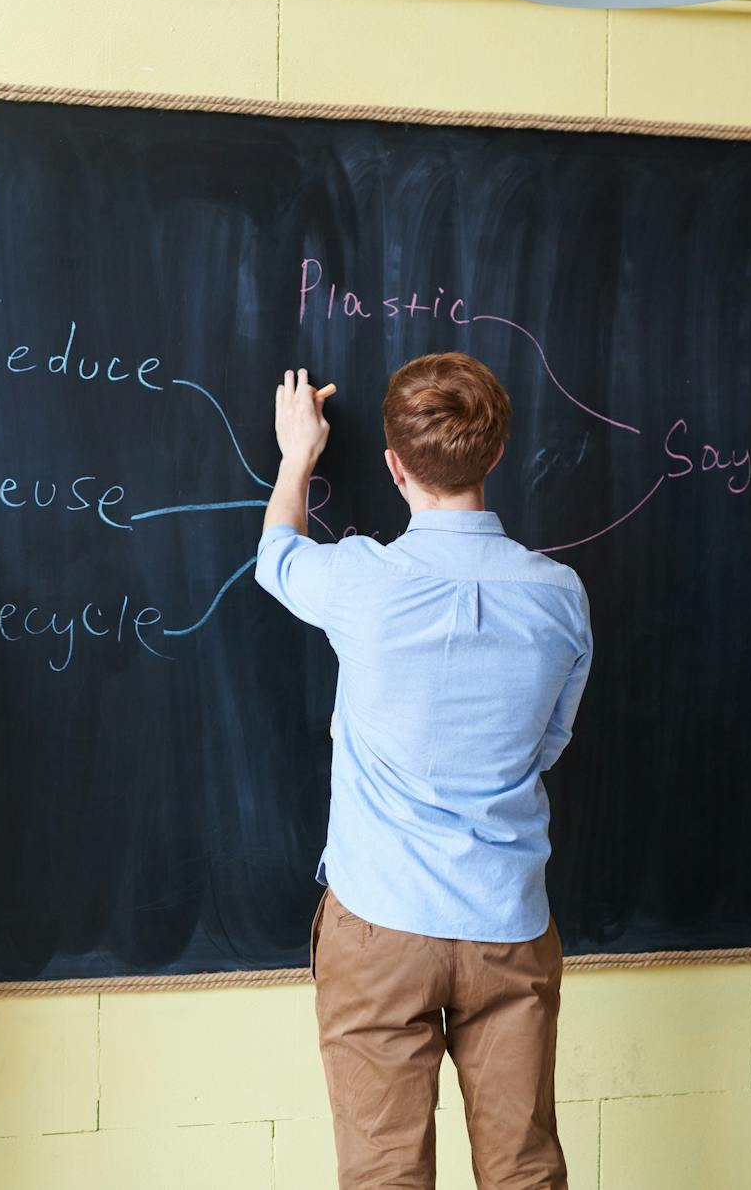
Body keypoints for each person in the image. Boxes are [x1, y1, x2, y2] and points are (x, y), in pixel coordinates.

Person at [256, 356, 593, 1189]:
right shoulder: (560, 596)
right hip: (506, 919)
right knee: (523, 1171)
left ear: (395, 466)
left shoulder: (360, 580)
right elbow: (550, 743)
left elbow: (276, 558)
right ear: (495, 454)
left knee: (383, 1175)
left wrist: (298, 453)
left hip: (380, 922)